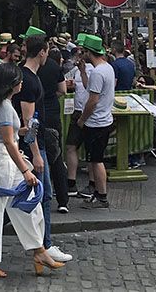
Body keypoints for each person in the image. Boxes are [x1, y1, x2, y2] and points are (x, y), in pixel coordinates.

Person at [0, 62, 63, 279]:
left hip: (4, 161)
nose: (22, 82)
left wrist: (25, 130)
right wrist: (25, 170)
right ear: (10, 84)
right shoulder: (4, 107)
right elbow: (8, 142)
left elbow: (10, 136)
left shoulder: (3, 104)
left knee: (27, 205)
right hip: (2, 162)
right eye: (18, 80)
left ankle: (38, 250)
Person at [14, 35, 73, 263]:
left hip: (31, 145)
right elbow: (29, 123)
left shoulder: (26, 76)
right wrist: (37, 153)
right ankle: (44, 245)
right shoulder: (29, 80)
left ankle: (41, 245)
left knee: (36, 194)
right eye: (47, 51)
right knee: (44, 194)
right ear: (42, 52)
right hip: (33, 147)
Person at [74, 34, 115, 209]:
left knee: (97, 160)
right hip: (103, 120)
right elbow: (89, 87)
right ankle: (97, 193)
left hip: (96, 122)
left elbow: (93, 100)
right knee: (94, 159)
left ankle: (102, 197)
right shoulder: (107, 68)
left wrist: (82, 119)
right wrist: (83, 71)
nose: (81, 54)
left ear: (89, 52)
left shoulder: (98, 72)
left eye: (84, 51)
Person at [37, 45, 70, 214]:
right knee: (57, 157)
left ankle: (38, 197)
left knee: (37, 156)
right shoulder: (54, 67)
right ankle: (63, 200)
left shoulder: (26, 67)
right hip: (52, 114)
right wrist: (51, 97)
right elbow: (63, 90)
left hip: (36, 114)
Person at [63, 44, 93, 197]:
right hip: (77, 111)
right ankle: (71, 183)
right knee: (71, 146)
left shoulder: (95, 71)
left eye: (83, 51)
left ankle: (93, 185)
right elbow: (67, 81)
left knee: (90, 150)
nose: (80, 54)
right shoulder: (76, 69)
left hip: (89, 113)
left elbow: (91, 90)